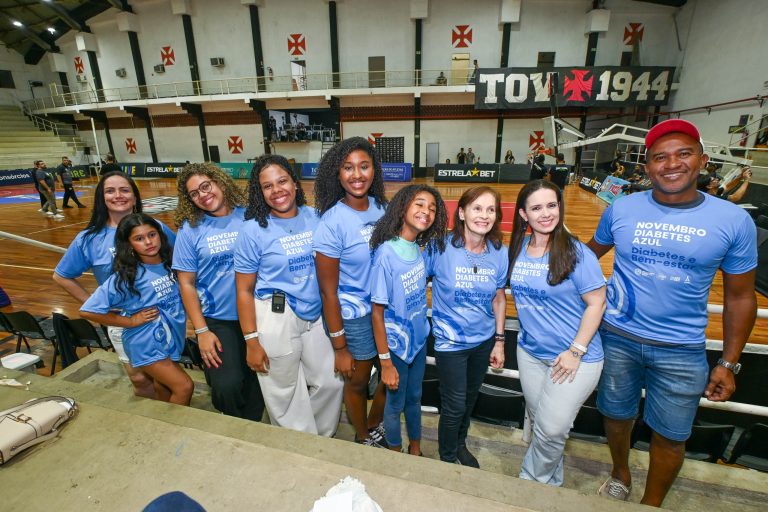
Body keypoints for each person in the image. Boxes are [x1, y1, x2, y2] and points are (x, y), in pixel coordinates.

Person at [588, 119, 757, 507]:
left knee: (672, 435)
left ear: (703, 160)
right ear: (647, 166)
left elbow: (741, 298)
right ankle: (620, 473)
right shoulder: (622, 208)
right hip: (616, 338)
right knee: (615, 417)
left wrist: (728, 363)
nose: (672, 164)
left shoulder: (733, 221)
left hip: (682, 349)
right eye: (660, 157)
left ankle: (652, 503)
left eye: (684, 153)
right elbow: (585, 257)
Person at [234, 155, 343, 435]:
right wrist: (251, 341)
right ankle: (300, 448)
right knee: (284, 392)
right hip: (276, 316)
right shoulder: (252, 230)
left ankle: (321, 440)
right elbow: (243, 290)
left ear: (295, 183)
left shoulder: (316, 218)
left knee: (331, 382)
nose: (277, 190)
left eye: (282, 181)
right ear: (260, 192)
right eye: (267, 186)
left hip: (316, 312)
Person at [508, 179, 606, 486]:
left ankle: (530, 482)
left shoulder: (578, 252)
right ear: (523, 214)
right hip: (530, 353)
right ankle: (552, 484)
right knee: (542, 423)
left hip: (573, 357)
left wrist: (576, 351)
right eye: (536, 208)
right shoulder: (518, 249)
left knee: (551, 429)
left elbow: (598, 303)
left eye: (552, 205)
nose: (546, 213)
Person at [53, 171, 176, 398]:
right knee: (139, 378)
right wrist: (96, 305)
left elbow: (179, 261)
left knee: (168, 377)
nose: (118, 195)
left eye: (124, 190)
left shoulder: (155, 226)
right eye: (110, 191)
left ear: (135, 196)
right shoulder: (89, 239)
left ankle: (171, 413)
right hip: (124, 321)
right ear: (102, 198)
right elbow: (61, 276)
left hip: (163, 316)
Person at [172, 163, 265, 421]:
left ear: (220, 182)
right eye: (194, 193)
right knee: (227, 385)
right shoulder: (190, 229)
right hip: (220, 320)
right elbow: (186, 283)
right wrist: (201, 331)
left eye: (206, 186)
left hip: (260, 313)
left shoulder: (250, 215)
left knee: (258, 377)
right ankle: (234, 424)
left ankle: (251, 426)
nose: (202, 195)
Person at [313, 137, 389, 447]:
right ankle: (362, 435)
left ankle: (374, 423)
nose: (357, 175)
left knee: (390, 374)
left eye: (364, 166)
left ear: (374, 170)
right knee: (358, 381)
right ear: (338, 173)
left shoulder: (384, 208)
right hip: (355, 317)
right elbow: (328, 292)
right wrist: (340, 347)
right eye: (348, 168)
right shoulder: (331, 223)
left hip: (385, 310)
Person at [424, 186, 508, 467]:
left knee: (469, 400)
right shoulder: (439, 246)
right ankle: (447, 459)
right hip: (450, 343)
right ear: (462, 213)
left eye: (490, 210)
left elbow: (498, 298)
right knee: (454, 404)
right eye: (477, 208)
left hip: (483, 342)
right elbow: (416, 280)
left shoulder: (499, 252)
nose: (484, 216)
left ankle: (459, 444)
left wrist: (499, 341)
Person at [81, 214, 192, 405]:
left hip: (170, 338)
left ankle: (163, 420)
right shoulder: (126, 276)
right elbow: (88, 310)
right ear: (129, 244)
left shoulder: (171, 264)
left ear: (160, 235)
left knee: (163, 386)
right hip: (145, 343)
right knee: (184, 386)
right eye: (139, 238)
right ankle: (175, 424)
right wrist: (130, 321)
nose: (148, 242)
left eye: (152, 235)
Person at [370, 185, 448, 455]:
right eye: (420, 204)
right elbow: (377, 313)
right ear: (403, 208)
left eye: (432, 208)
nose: (426, 212)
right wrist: (385, 363)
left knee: (414, 398)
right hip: (396, 347)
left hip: (418, 340)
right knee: (395, 404)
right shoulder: (386, 254)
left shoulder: (418, 249)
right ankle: (395, 452)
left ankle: (415, 448)